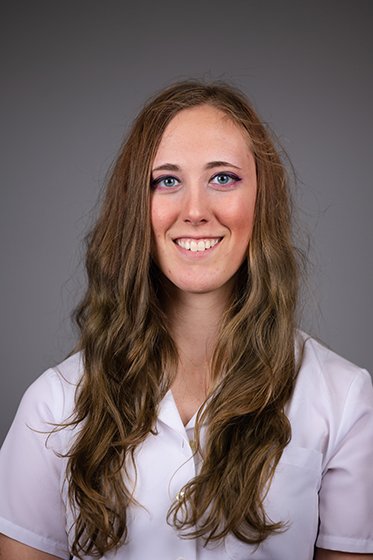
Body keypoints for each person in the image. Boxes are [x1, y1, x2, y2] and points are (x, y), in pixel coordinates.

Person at [0, 81, 372, 560]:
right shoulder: (53, 406)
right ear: (137, 205)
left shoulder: (343, 401)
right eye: (167, 181)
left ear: (263, 199)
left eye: (223, 178)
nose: (195, 211)